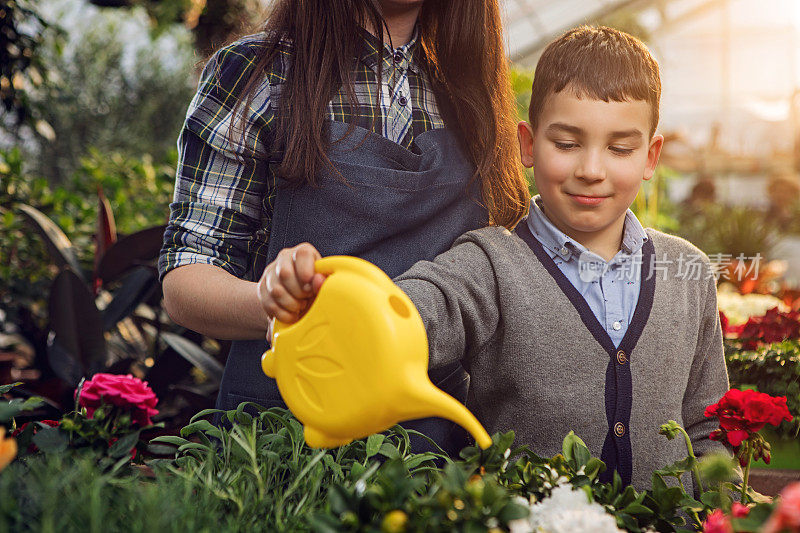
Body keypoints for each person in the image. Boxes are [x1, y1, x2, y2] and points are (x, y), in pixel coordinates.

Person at [267, 26, 730, 491]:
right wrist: (324, 301)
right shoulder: (489, 263)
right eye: (566, 144)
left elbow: (711, 430)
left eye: (620, 148)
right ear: (527, 145)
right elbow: (415, 308)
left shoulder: (687, 273)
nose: (592, 170)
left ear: (651, 157)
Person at [158, 0, 530, 455]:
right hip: (281, 442)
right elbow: (185, 279)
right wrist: (273, 305)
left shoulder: (473, 93)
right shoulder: (256, 74)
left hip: (431, 451)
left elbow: (501, 274)